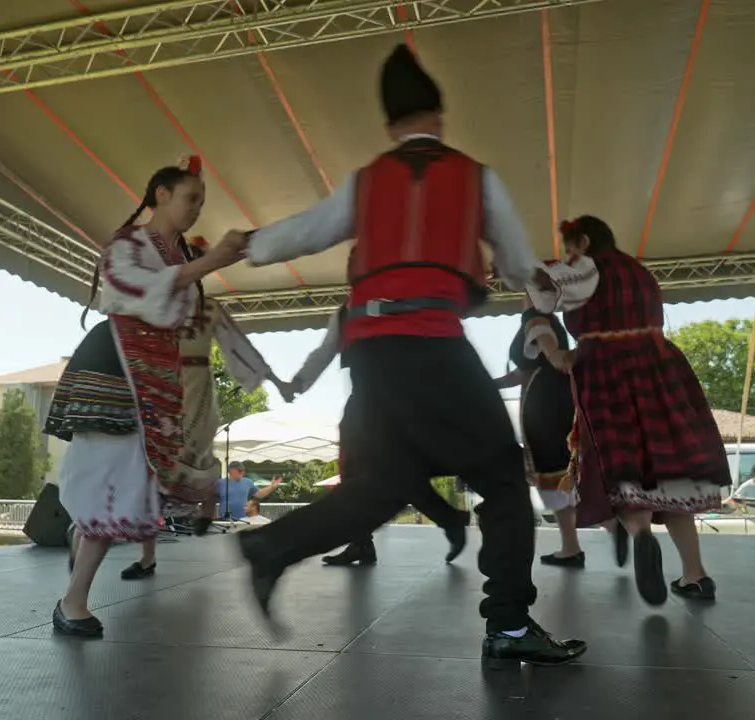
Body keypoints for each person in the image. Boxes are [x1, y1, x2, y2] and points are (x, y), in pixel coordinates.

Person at [228, 44, 585, 665]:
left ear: (390, 124)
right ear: (439, 114)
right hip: (433, 341)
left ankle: (271, 548)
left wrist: (248, 245)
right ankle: (507, 623)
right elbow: (522, 260)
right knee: (502, 478)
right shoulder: (476, 177)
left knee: (388, 482)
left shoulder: (367, 182)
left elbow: (308, 229)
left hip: (372, 352)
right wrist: (522, 273)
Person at [42, 156, 246, 637]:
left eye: (201, 202)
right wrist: (210, 260)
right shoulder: (128, 245)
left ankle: (75, 591)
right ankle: (73, 600)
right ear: (161, 195)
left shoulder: (176, 256)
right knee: (111, 481)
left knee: (133, 481)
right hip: (116, 367)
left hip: (155, 373)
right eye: (190, 198)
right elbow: (131, 292)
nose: (197, 209)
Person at [539, 215, 731, 606]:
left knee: (621, 459)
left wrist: (557, 351)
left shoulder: (581, 271)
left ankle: (641, 533)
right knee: (669, 466)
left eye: (571, 246)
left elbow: (534, 293)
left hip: (605, 370)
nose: (568, 255)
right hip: (659, 367)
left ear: (585, 241)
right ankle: (695, 575)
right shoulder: (640, 272)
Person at [118, 252, 283, 580]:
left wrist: (269, 377)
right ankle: (148, 556)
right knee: (153, 469)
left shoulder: (209, 309)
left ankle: (205, 504)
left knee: (196, 454)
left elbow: (238, 346)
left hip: (197, 389)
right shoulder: (155, 308)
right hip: (163, 389)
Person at [276, 302, 470, 566]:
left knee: (398, 473)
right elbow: (327, 349)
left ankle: (448, 520)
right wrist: (299, 381)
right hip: (363, 403)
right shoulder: (348, 310)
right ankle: (363, 542)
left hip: (399, 397)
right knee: (355, 472)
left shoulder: (401, 298)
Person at [493, 294, 629, 569]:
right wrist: (490, 385)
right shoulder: (548, 323)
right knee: (561, 476)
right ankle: (595, 533)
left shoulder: (537, 321)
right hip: (554, 402)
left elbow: (537, 367)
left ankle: (593, 534)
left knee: (553, 477)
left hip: (545, 408)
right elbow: (527, 370)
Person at [217, 461, 283, 520]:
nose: (242, 472)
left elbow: (259, 494)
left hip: (244, 519)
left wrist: (271, 487)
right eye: (240, 470)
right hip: (224, 519)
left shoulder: (248, 482)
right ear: (231, 471)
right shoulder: (220, 483)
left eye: (243, 470)